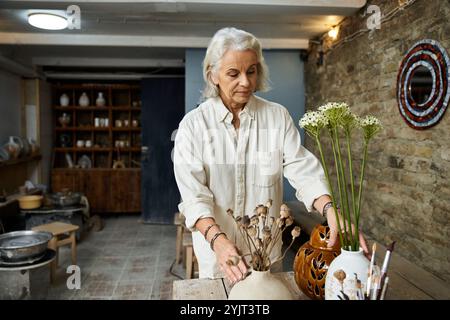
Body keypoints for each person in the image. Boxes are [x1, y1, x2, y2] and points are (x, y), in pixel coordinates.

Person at [173, 27, 369, 284]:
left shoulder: (277, 117)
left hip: (266, 257)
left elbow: (302, 168)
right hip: (218, 255)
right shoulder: (193, 126)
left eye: (251, 71)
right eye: (233, 73)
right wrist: (219, 242)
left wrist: (331, 211)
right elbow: (194, 196)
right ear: (213, 76)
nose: (245, 82)